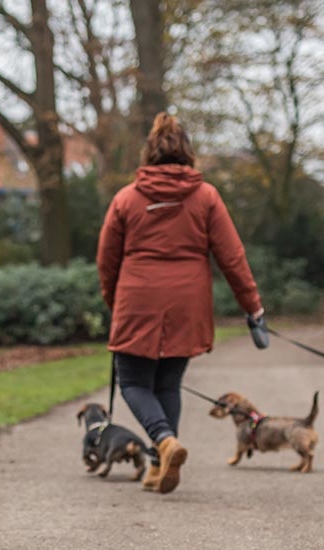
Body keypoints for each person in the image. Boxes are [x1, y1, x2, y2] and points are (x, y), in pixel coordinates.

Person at [97, 112, 265, 494]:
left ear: (148, 154)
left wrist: (114, 301)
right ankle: (159, 465)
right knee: (168, 384)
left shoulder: (126, 198)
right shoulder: (206, 197)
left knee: (134, 382)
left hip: (137, 297)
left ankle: (164, 441)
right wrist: (252, 306)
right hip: (188, 302)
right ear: (187, 153)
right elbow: (232, 256)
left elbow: (106, 261)